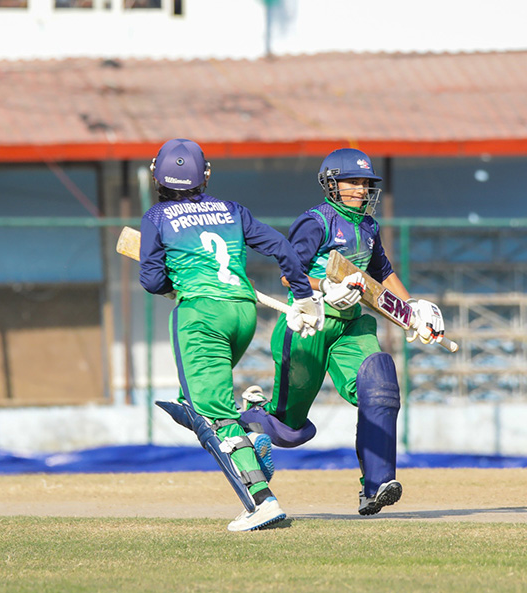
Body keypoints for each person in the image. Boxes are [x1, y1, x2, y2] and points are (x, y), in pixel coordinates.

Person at [240, 147, 445, 515]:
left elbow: (382, 273)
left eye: (366, 183)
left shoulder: (368, 227)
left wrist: (413, 308)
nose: (362, 189)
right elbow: (290, 273)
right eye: (354, 182)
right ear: (331, 184)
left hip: (353, 325)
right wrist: (324, 287)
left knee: (380, 386)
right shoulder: (315, 222)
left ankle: (376, 484)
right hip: (310, 323)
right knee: (289, 428)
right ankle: (253, 421)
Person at [138, 138, 323, 531]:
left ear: (157, 174)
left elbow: (152, 280)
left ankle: (261, 501)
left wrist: (176, 277)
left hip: (201, 315)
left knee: (213, 415)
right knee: (194, 402)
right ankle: (252, 435)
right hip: (242, 312)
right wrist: (304, 296)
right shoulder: (231, 209)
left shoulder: (157, 217)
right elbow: (281, 247)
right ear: (204, 174)